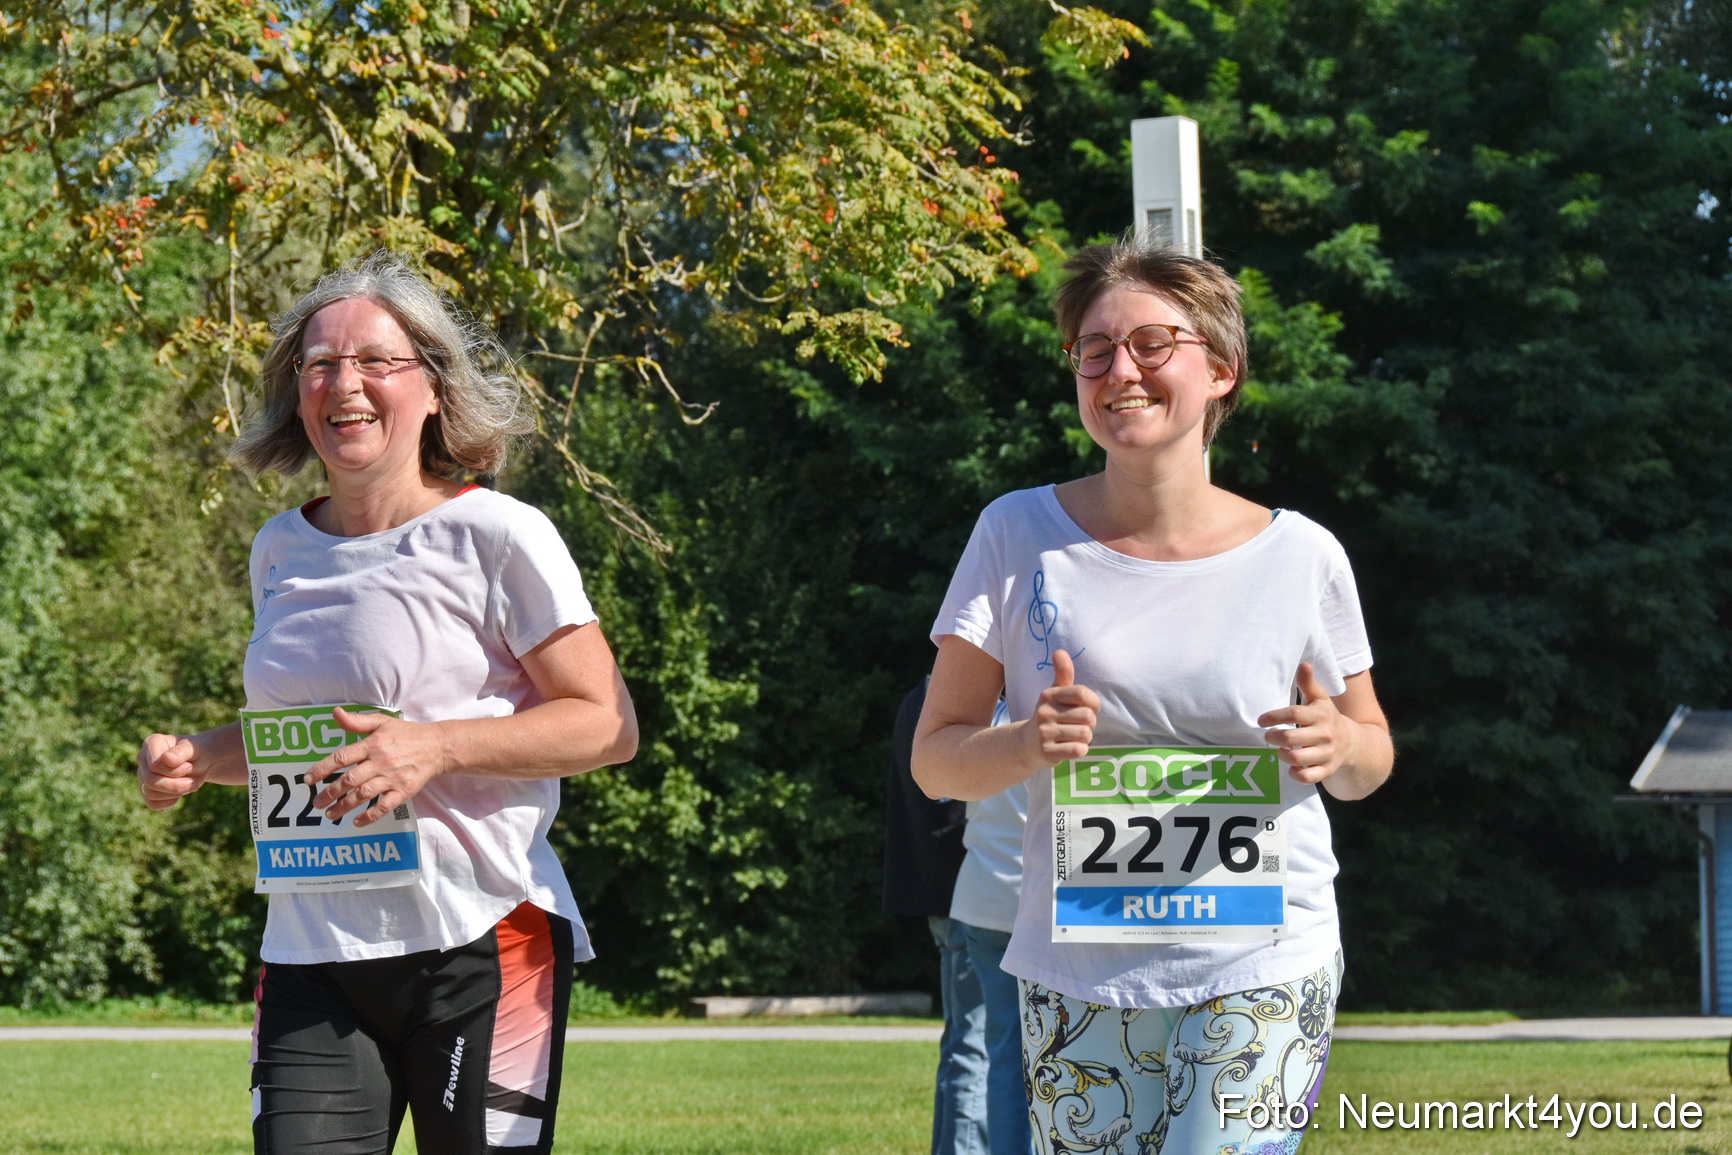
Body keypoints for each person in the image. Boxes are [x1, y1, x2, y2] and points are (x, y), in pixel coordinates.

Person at [134, 251, 638, 1155]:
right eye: (319, 364)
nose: (344, 383)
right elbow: (314, 738)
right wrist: (196, 757)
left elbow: (606, 722)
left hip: (480, 937)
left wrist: (436, 747)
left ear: (435, 389)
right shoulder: (278, 550)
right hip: (310, 945)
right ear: (297, 395)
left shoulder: (497, 533)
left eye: (374, 360)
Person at [911, 237, 1393, 1155]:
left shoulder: (1303, 555)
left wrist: (1339, 746)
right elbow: (936, 756)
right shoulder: (1015, 534)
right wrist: (1025, 744)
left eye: (1150, 343)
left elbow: (1371, 756)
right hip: (1079, 972)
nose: (1118, 369)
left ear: (1220, 369)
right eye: (1094, 350)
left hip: (1266, 956)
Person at [881, 678, 982, 1154]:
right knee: (975, 1050)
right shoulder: (958, 708)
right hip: (973, 893)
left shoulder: (916, 701)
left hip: (937, 892)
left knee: (961, 1044)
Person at [946, 702, 1033, 1155]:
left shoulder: (979, 725)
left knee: (1003, 1057)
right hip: (1044, 907)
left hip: (982, 900)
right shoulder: (1063, 722)